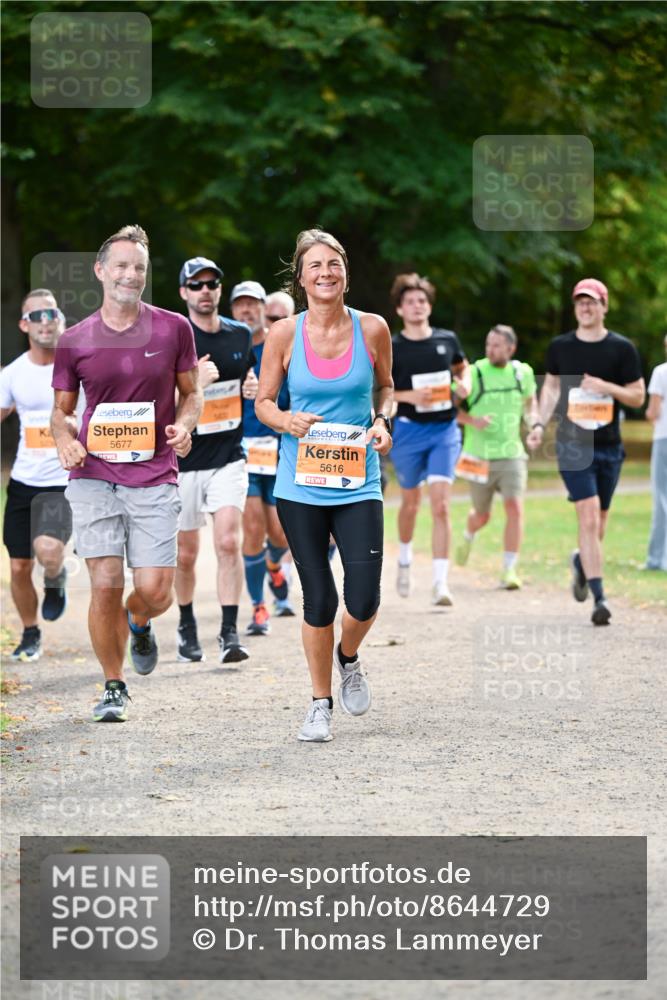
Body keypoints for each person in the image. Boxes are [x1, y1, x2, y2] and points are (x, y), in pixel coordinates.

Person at [51, 225, 202, 722]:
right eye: (120, 265)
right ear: (100, 270)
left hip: (155, 472)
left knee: (157, 589)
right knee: (106, 582)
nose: (130, 274)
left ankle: (139, 621)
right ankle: (113, 685)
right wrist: (65, 440)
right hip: (94, 476)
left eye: (138, 267)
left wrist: (183, 426)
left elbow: (192, 393)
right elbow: (62, 412)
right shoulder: (74, 340)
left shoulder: (173, 327)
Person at [255, 228, 393, 743]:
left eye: (334, 263)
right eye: (315, 265)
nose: (325, 273)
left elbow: (386, 388)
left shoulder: (374, 329)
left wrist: (382, 422)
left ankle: (348, 656)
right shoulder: (284, 334)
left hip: (359, 482)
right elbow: (264, 400)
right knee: (319, 599)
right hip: (301, 486)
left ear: (346, 273)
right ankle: (319, 704)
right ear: (301, 278)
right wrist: (285, 419)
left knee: (364, 599)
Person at [528, 278, 645, 624]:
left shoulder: (622, 349)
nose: (585, 307)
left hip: (609, 446)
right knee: (589, 516)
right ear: (574, 307)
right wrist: (538, 425)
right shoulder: (561, 347)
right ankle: (600, 598)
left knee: (599, 522)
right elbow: (549, 389)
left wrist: (605, 386)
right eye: (580, 302)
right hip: (573, 444)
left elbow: (637, 396)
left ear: (604, 306)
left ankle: (582, 562)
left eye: (592, 301)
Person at [175, 258, 258, 663]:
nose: (205, 290)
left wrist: (252, 387)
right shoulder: (174, 338)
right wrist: (195, 385)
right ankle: (186, 622)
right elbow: (158, 404)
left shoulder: (240, 334)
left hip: (229, 455)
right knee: (186, 555)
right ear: (184, 293)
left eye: (212, 283)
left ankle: (229, 632)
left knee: (228, 542)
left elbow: (251, 381)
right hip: (184, 461)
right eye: (196, 285)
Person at [389, 273, 470, 605]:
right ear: (399, 309)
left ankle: (440, 583)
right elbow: (385, 390)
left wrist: (463, 384)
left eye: (422, 301)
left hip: (444, 431)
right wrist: (411, 396)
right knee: (411, 503)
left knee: (441, 504)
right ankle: (405, 558)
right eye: (410, 301)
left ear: (429, 306)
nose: (417, 306)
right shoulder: (393, 346)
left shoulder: (446, 339)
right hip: (408, 431)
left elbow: (462, 368)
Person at [1, 290, 71, 661]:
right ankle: (30, 633)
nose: (46, 320)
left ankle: (56, 576)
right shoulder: (12, 373)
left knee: (47, 549)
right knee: (18, 564)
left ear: (61, 320)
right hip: (24, 482)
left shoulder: (79, 366)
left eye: (52, 313)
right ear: (24, 324)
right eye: (37, 314)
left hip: (63, 480)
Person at [230, 280, 295, 635]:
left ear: (261, 307)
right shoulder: (227, 347)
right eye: (239, 305)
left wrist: (266, 395)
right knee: (252, 527)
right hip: (240, 452)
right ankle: (258, 607)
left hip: (279, 448)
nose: (246, 311)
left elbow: (296, 396)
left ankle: (274, 564)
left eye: (252, 304)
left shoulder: (280, 344)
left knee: (280, 533)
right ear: (233, 310)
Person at [454, 324, 538, 589]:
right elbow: (447, 410)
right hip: (478, 455)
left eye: (497, 345)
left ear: (511, 348)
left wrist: (535, 426)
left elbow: (530, 404)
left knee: (515, 508)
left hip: (512, 454)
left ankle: (509, 570)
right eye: (488, 344)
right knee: (482, 515)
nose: (490, 349)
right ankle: (469, 534)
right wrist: (472, 420)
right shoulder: (474, 372)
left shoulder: (522, 373)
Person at [645, 334, 667, 571]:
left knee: (662, 499)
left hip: (664, 438)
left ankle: (656, 559)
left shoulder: (661, 372)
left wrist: (649, 416)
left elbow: (654, 411)